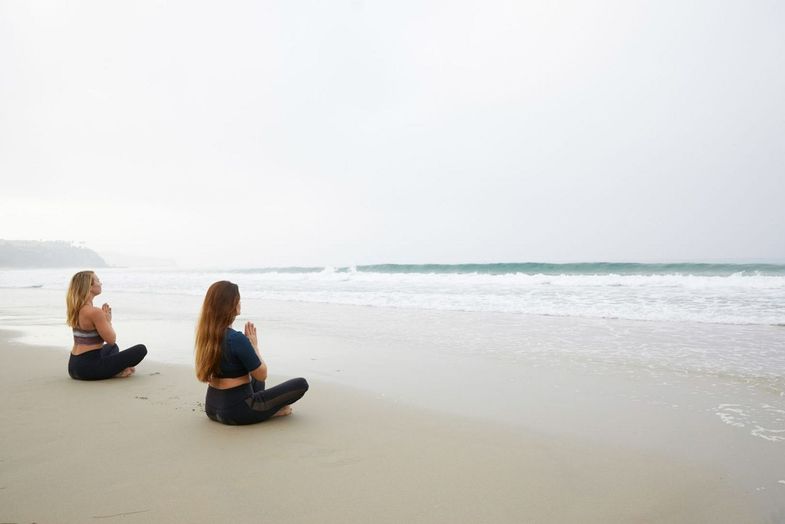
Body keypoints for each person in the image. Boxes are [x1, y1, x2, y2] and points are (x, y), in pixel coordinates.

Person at [195, 280, 308, 425]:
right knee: (301, 384)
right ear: (230, 305)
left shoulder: (207, 336)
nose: (240, 303)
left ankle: (262, 410)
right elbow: (262, 374)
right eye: (238, 300)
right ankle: (272, 413)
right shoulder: (236, 338)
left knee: (253, 379)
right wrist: (254, 347)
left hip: (212, 408)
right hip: (237, 412)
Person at [66, 271, 147, 380]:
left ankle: (111, 370)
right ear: (89, 286)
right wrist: (108, 321)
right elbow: (111, 339)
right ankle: (115, 372)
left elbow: (111, 344)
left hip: (74, 366)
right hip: (88, 368)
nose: (101, 283)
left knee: (113, 348)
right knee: (141, 349)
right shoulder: (94, 312)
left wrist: (104, 319)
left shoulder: (76, 309)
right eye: (98, 281)